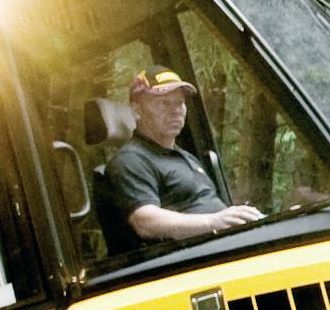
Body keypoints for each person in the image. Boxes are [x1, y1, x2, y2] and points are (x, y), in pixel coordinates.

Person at [101, 70, 264, 262]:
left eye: (180, 103)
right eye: (164, 103)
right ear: (137, 111)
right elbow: (145, 221)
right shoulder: (130, 160)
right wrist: (213, 222)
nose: (176, 110)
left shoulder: (185, 157)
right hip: (186, 265)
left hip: (222, 252)